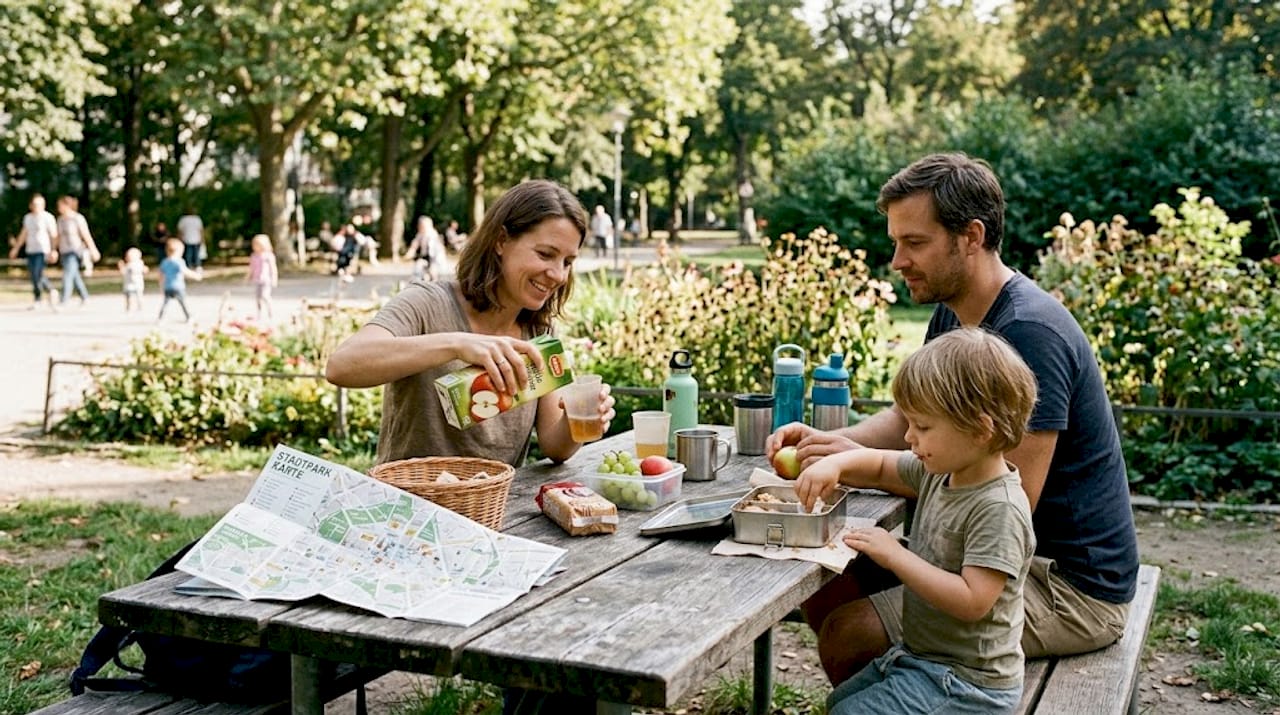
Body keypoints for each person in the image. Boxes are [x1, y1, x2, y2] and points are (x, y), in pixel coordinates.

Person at [768, 152, 1139, 685]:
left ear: (971, 236)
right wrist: (832, 442)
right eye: (896, 242)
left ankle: (926, 688)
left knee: (850, 633)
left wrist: (861, 465)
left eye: (914, 243)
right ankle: (904, 690)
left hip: (1064, 585)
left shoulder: (1030, 335)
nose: (897, 261)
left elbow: (1003, 490)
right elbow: (908, 418)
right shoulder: (958, 310)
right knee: (829, 570)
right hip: (989, 552)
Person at [327, 180, 614, 715]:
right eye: (546, 253)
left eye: (568, 261)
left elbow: (554, 445)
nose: (557, 274)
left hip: (489, 525)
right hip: (405, 528)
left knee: (578, 628)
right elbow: (342, 365)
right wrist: (462, 344)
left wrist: (584, 422)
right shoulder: (429, 304)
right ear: (501, 241)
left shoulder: (536, 333)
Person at [796, 328, 1038, 714]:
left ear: (980, 429)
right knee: (840, 701)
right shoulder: (943, 471)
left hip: (970, 686)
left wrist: (894, 554)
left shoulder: (999, 508)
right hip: (925, 659)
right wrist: (835, 463)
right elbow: (877, 465)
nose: (909, 437)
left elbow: (973, 601)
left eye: (923, 427)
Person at [8, 194, 59, 311]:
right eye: (35, 204)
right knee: (34, 275)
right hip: (31, 250)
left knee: (38, 273)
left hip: (43, 250)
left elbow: (54, 235)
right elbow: (23, 234)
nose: (38, 206)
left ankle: (49, 291)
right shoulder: (28, 218)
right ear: (31, 205)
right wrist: (16, 248)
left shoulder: (48, 217)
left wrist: (54, 250)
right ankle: (40, 298)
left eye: (40, 204)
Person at [56, 195, 99, 306]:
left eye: (60, 205)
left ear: (67, 205)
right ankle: (85, 297)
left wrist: (93, 249)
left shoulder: (77, 218)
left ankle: (64, 299)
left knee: (68, 275)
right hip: (64, 251)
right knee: (74, 275)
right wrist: (53, 249)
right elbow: (58, 237)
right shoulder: (60, 220)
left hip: (75, 251)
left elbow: (85, 235)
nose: (58, 207)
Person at [157, 237, 202, 322]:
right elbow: (185, 271)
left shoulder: (164, 262)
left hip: (168, 286)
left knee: (165, 304)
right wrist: (196, 276)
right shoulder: (179, 261)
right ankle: (189, 317)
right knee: (183, 303)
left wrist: (161, 286)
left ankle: (160, 318)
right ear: (179, 251)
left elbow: (161, 275)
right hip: (178, 287)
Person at [246, 234, 278, 322]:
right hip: (257, 279)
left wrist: (274, 278)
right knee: (257, 298)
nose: (256, 247)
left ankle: (270, 311)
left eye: (258, 245)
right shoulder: (254, 256)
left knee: (265, 296)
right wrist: (248, 276)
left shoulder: (268, 256)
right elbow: (251, 267)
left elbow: (273, 268)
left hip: (266, 279)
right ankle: (259, 313)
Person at [405, 216, 444, 282]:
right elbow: (414, 244)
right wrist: (410, 252)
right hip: (426, 257)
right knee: (418, 268)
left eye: (422, 225)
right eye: (420, 225)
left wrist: (433, 265)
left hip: (435, 259)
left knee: (433, 274)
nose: (420, 227)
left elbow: (435, 252)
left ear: (429, 225)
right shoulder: (420, 234)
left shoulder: (433, 235)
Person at [117, 247, 149, 312]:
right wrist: (121, 266)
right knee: (129, 297)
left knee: (139, 296)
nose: (128, 257)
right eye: (127, 256)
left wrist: (145, 269)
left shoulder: (139, 263)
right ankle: (128, 307)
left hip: (138, 284)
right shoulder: (128, 265)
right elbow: (123, 272)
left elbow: (144, 269)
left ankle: (140, 306)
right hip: (129, 284)